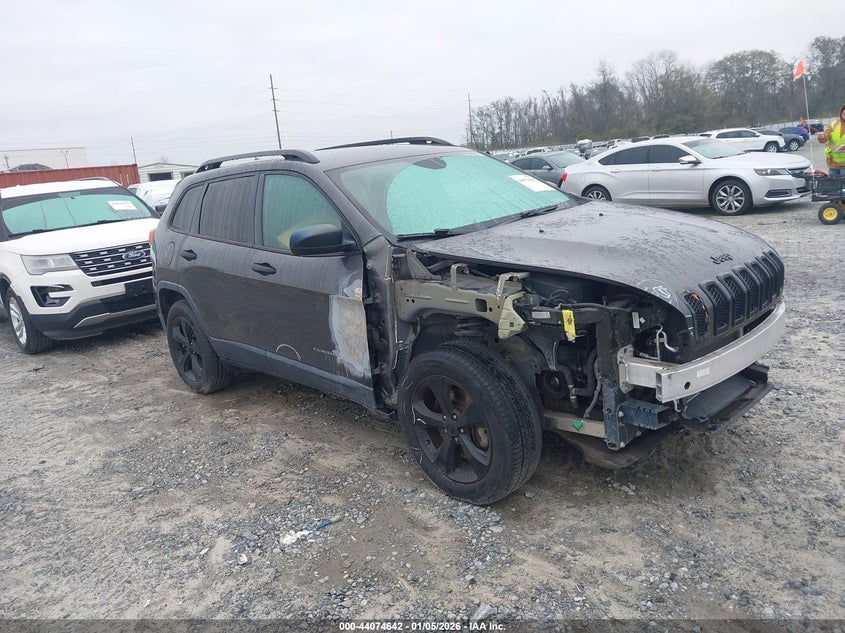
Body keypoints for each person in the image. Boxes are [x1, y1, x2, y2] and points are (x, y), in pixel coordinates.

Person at [817, 104, 845, 176]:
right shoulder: (833, 124)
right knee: (833, 183)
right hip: (833, 164)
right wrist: (821, 136)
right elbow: (824, 139)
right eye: (843, 110)